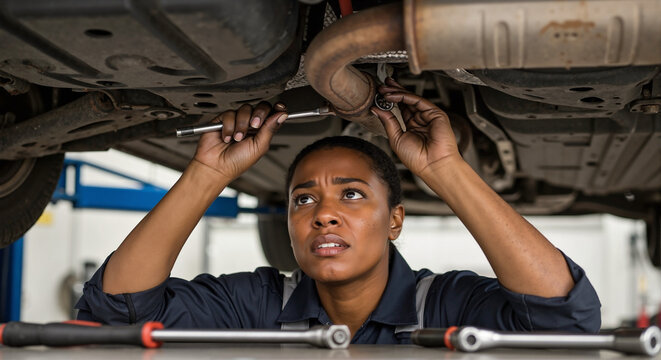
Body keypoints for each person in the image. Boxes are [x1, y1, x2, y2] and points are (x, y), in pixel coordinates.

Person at [76, 78, 601, 343]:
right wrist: (206, 175)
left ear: (395, 218)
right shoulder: (258, 306)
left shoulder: (442, 305)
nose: (323, 214)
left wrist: (445, 169)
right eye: (304, 199)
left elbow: (563, 321)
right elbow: (117, 315)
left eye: (351, 194)